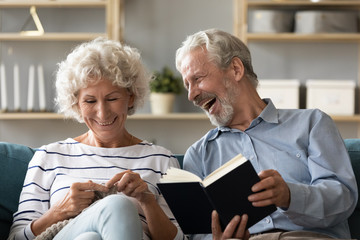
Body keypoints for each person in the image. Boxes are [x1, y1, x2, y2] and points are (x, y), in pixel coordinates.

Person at [175, 29, 358, 240]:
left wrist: (290, 196)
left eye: (197, 78)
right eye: (187, 85)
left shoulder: (312, 124)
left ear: (235, 69)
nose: (191, 95)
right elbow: (197, 233)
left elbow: (342, 199)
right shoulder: (199, 154)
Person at [8, 38, 186, 240]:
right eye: (90, 101)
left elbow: (181, 239)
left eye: (112, 99)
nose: (102, 113)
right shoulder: (49, 157)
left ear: (131, 97)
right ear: (76, 104)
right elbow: (16, 238)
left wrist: (148, 201)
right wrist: (59, 211)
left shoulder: (162, 160)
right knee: (116, 205)